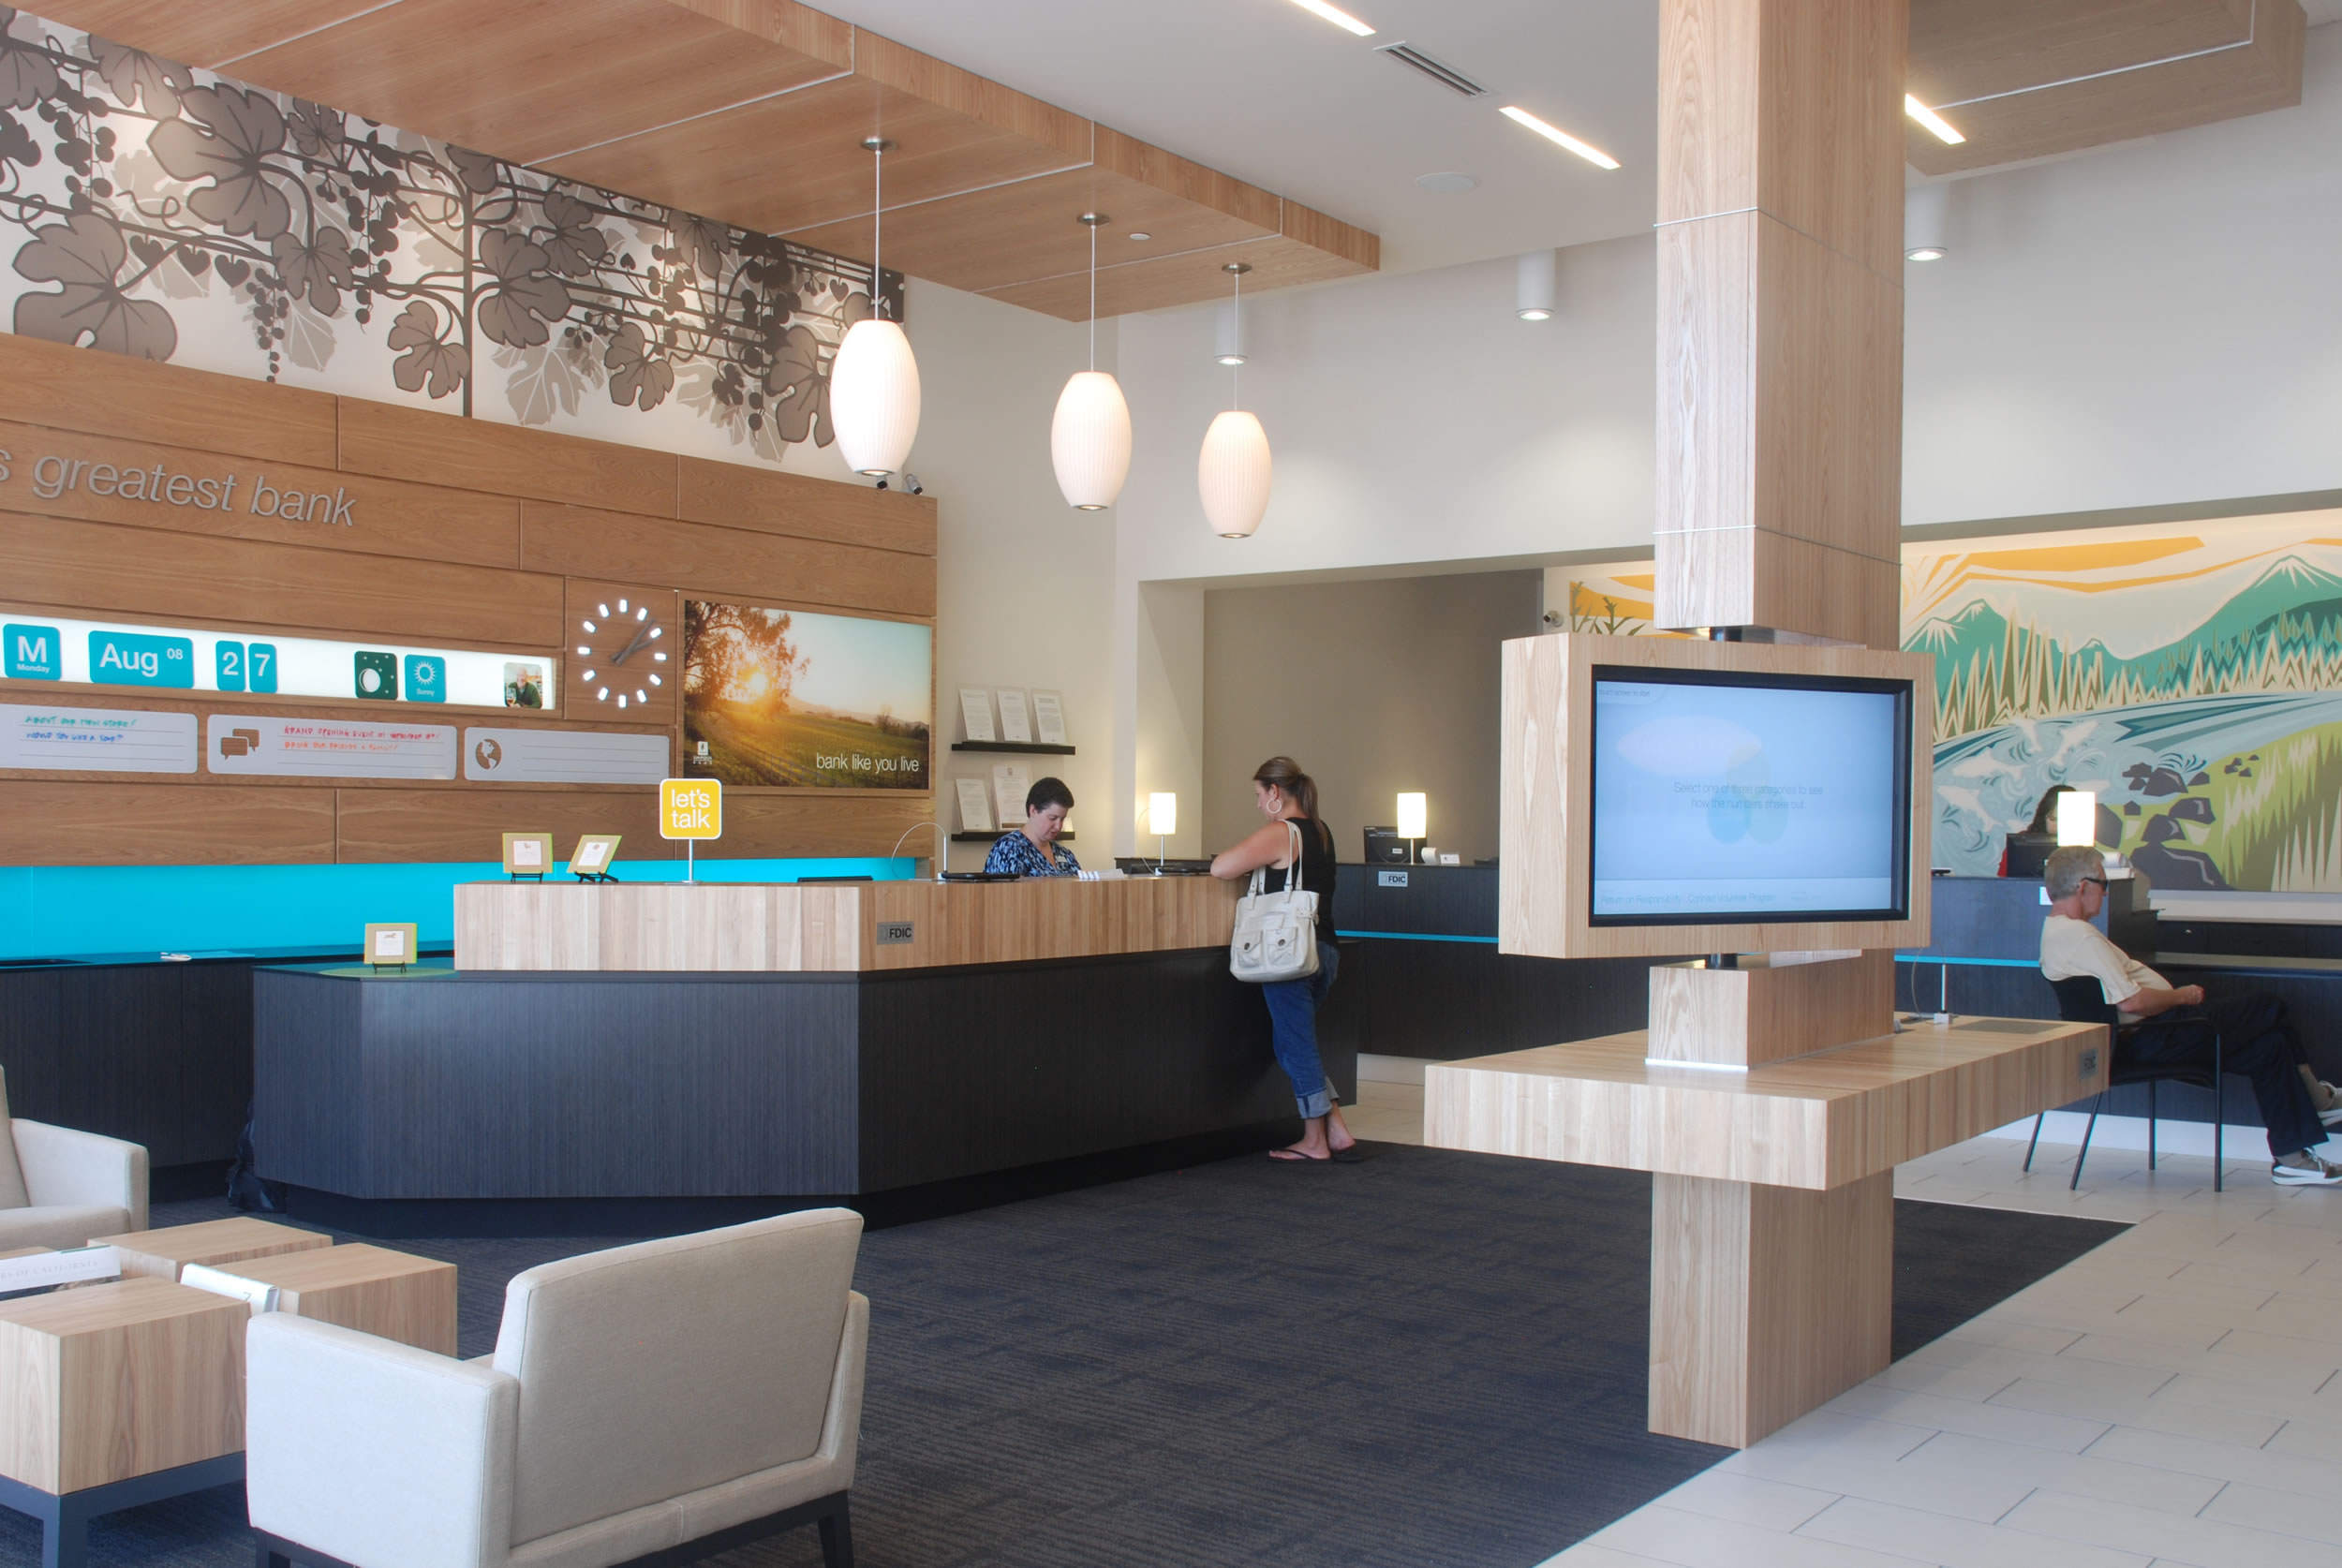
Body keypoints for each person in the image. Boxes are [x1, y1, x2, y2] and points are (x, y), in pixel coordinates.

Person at [2040, 846, 2342, 1185]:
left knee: (2269, 1049)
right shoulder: (2081, 937)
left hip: (2138, 1039)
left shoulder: (2056, 931)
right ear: (2083, 886)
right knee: (2268, 1006)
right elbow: (2132, 1003)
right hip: (2149, 1038)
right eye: (2103, 883)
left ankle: (2291, 1159)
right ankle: (2319, 1101)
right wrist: (2181, 996)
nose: (2106, 892)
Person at [1210, 756, 1357, 1163]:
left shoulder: (1282, 832)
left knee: (1295, 1045)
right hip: (1325, 950)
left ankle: (1314, 1141)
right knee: (1292, 1042)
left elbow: (1221, 867)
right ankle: (1337, 1129)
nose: (1258, 804)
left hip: (1287, 952)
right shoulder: (1321, 831)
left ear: (1275, 792)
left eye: (1259, 795)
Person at [984, 777, 1081, 877]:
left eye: (1062, 819)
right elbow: (1003, 887)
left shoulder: (1065, 854)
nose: (1058, 826)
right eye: (1052, 818)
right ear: (1033, 811)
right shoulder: (1009, 849)